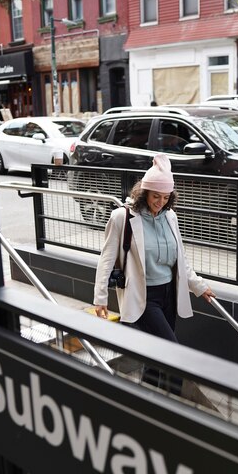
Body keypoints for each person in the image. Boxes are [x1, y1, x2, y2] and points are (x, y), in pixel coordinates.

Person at [93, 154, 215, 387]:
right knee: (173, 355)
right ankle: (171, 407)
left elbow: (180, 259)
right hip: (144, 297)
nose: (160, 202)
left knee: (155, 354)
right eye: (155, 196)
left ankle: (149, 401)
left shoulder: (171, 217)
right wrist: (100, 297)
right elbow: (106, 259)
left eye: (165, 197)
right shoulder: (123, 217)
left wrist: (199, 286)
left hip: (169, 294)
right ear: (144, 193)